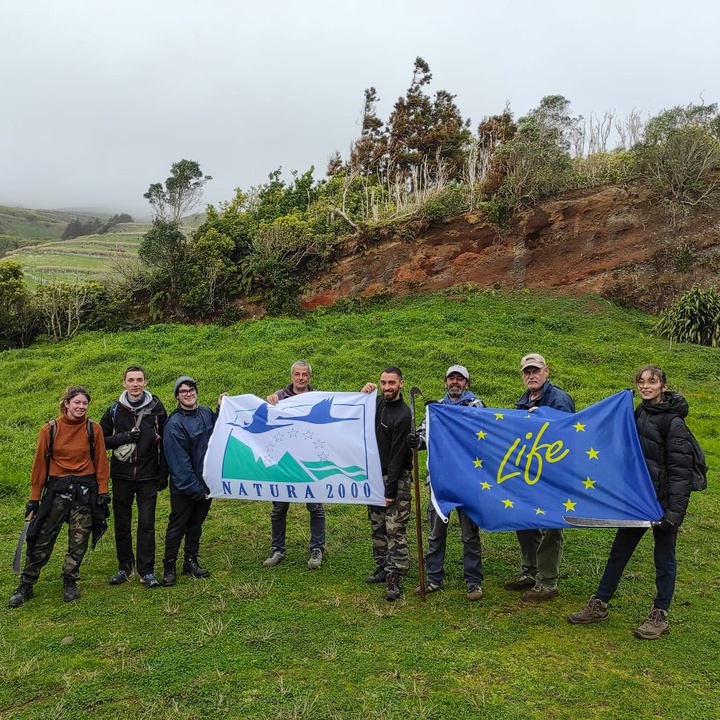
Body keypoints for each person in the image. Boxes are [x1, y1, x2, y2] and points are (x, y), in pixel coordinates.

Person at [568, 365, 693, 639]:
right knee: (619, 552)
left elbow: (682, 472)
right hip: (637, 501)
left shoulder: (674, 423)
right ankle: (599, 604)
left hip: (662, 505)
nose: (646, 386)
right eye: (642, 382)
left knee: (664, 559)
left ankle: (660, 614)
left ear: (663, 385)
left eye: (652, 381)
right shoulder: (639, 413)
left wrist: (674, 513)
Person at [9, 386, 110, 607]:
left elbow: (101, 462)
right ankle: (26, 584)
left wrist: (103, 491)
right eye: (77, 403)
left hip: (84, 491)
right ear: (66, 403)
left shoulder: (94, 429)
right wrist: (34, 497)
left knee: (79, 538)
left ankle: (70, 581)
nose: (81, 407)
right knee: (42, 538)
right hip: (57, 491)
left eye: (85, 404)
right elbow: (39, 466)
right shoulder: (50, 430)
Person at [407, 365, 485, 601]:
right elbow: (424, 435)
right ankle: (433, 578)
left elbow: (482, 436)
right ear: (445, 383)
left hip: (467, 481)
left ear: (467, 384)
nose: (455, 382)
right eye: (451, 378)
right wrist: (417, 440)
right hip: (439, 481)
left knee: (469, 534)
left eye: (460, 379)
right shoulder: (435, 409)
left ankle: (473, 582)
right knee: (435, 532)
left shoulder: (476, 406)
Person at [504, 353, 576, 602]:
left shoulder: (559, 399)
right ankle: (530, 571)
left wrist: (542, 418)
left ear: (547, 371)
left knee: (551, 526)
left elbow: (566, 434)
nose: (531, 375)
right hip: (528, 472)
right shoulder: (522, 402)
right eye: (527, 372)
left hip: (554, 474)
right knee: (524, 519)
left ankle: (547, 581)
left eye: (536, 370)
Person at [101, 366, 168, 589]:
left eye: (139, 380)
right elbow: (100, 441)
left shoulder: (157, 410)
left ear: (146, 382)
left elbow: (165, 444)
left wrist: (162, 473)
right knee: (122, 523)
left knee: (147, 524)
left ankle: (146, 571)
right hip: (121, 476)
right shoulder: (113, 411)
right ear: (124, 383)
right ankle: (124, 566)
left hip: (148, 476)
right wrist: (123, 437)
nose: (135, 384)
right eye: (131, 380)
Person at [262, 361, 326, 570]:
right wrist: (268, 403)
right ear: (291, 377)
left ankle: (317, 549)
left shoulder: (319, 399)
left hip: (310, 460)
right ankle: (277, 548)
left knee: (315, 507)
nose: (300, 378)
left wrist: (364, 394)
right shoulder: (279, 397)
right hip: (284, 462)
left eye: (304, 375)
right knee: (279, 507)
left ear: (310, 377)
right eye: (297, 374)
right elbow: (264, 416)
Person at [361, 367, 413, 601]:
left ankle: (395, 572)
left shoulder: (404, 414)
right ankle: (382, 565)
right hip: (373, 475)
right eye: (383, 383)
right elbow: (355, 411)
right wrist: (364, 393)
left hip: (396, 478)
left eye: (391, 383)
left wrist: (390, 490)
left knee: (395, 527)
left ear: (401, 384)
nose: (387, 387)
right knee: (377, 524)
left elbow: (397, 455)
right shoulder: (377, 403)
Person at [161, 376, 216, 587]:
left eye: (191, 390)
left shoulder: (205, 413)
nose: (188, 394)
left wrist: (222, 409)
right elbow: (179, 464)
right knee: (178, 525)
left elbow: (218, 433)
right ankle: (169, 566)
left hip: (207, 483)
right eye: (183, 391)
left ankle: (191, 561)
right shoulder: (174, 424)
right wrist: (196, 489)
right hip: (185, 488)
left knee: (196, 525)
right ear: (177, 396)